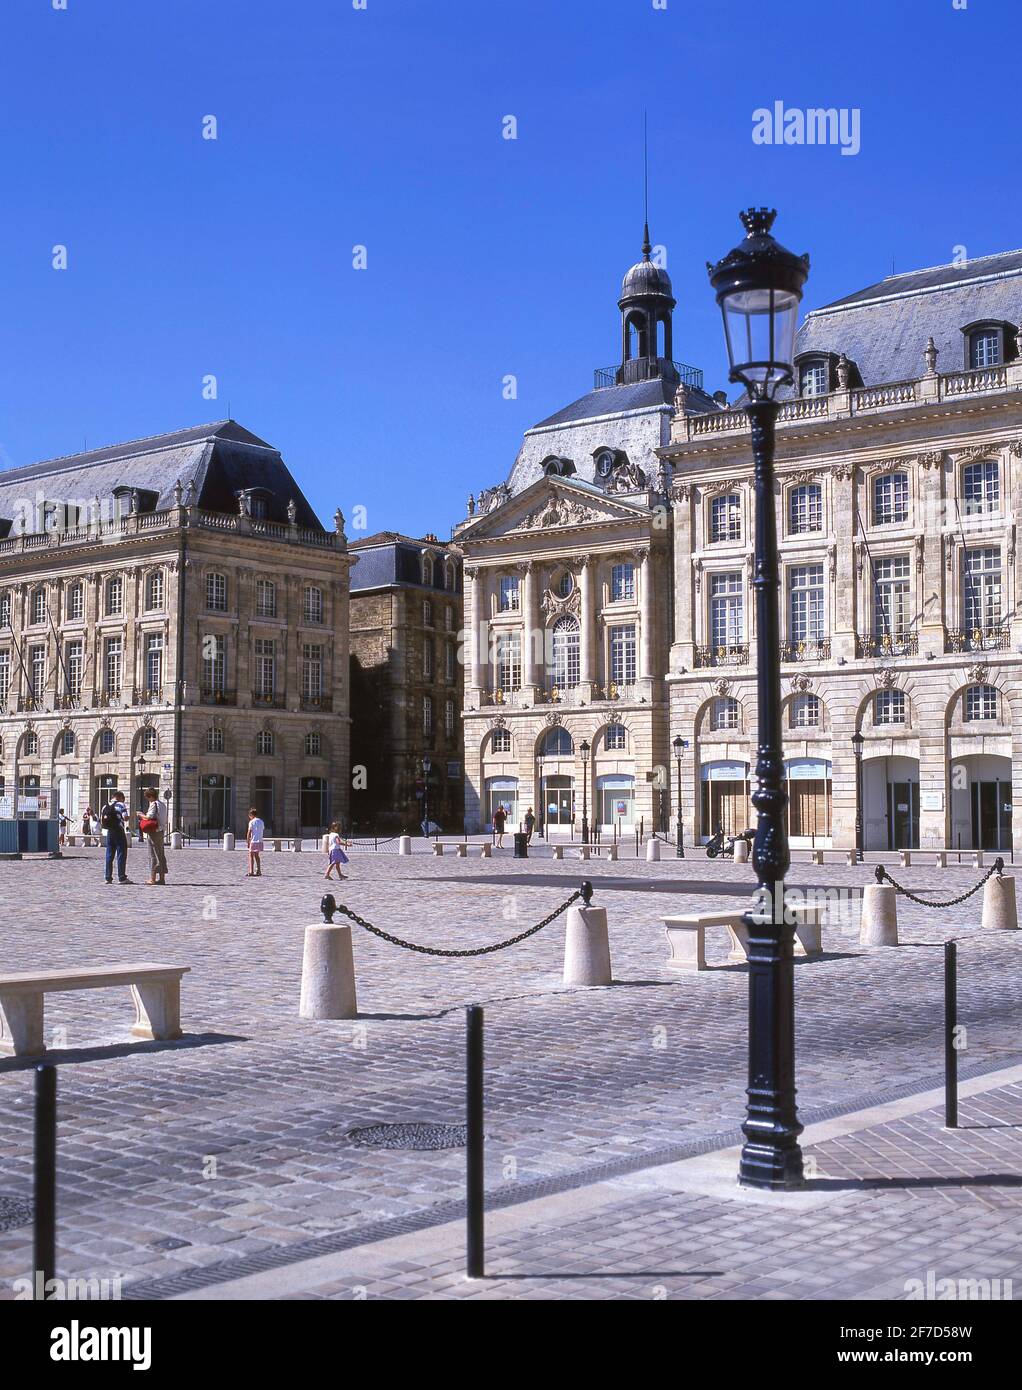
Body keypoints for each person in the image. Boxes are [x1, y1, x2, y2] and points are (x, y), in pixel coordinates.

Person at [139, 787, 168, 886]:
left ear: (151, 796)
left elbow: (149, 817)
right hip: (161, 831)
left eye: (148, 797)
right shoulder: (162, 804)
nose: (148, 799)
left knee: (153, 855)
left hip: (154, 832)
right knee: (160, 854)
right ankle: (162, 878)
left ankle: (152, 879)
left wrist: (140, 815)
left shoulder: (154, 804)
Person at [101, 790, 131, 884]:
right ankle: (122, 877)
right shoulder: (121, 805)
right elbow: (125, 817)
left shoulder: (105, 806)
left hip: (109, 831)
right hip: (119, 831)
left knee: (109, 855)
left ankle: (108, 877)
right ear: (121, 797)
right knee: (121, 854)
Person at [246, 807, 265, 877]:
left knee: (251, 855)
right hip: (260, 841)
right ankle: (259, 870)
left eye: (249, 816)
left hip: (253, 840)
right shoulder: (261, 821)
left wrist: (248, 841)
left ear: (251, 815)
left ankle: (251, 871)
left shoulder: (251, 822)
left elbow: (249, 832)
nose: (249, 817)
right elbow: (262, 829)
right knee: (257, 855)